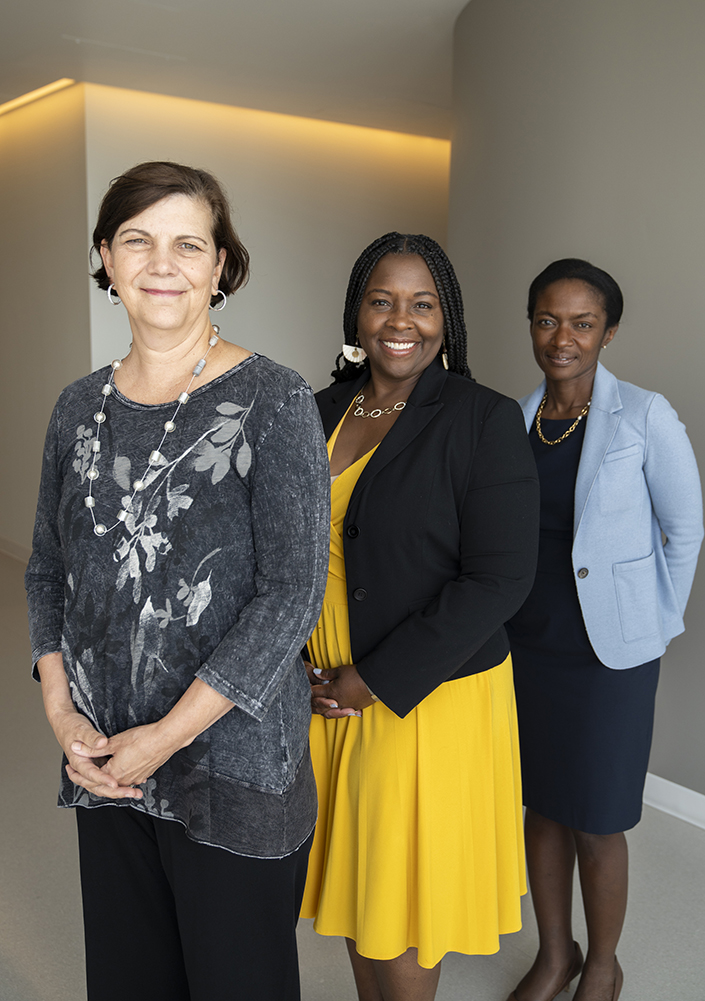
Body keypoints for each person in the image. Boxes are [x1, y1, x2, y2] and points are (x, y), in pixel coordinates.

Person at [25, 161, 330, 1001]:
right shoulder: (76, 406)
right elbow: (48, 567)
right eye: (138, 241)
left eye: (187, 244)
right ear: (108, 259)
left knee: (238, 982)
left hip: (230, 762)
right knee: (130, 980)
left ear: (221, 266)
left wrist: (164, 737)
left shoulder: (274, 398)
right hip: (104, 758)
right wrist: (61, 712)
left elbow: (293, 592)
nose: (163, 263)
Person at [299, 232, 540, 1001]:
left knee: (400, 913)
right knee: (356, 896)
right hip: (321, 694)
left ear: (447, 318)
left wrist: (372, 678)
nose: (400, 320)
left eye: (421, 303)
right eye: (381, 300)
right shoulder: (317, 409)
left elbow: (499, 579)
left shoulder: (481, 418)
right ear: (356, 313)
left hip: (420, 700)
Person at [505, 259, 703, 1001]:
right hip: (526, 643)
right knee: (543, 805)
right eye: (547, 320)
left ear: (607, 332)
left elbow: (685, 530)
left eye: (581, 323)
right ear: (530, 324)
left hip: (609, 654)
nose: (562, 338)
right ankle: (554, 953)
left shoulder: (644, 415)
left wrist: (652, 623)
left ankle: (603, 963)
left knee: (597, 815)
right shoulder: (514, 420)